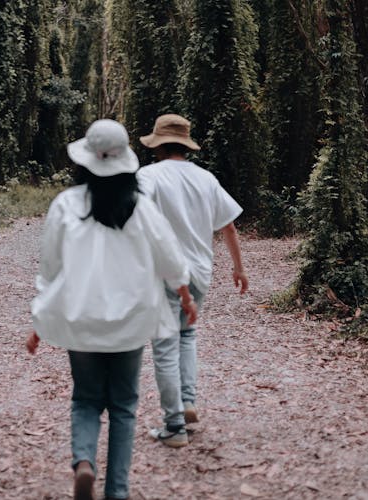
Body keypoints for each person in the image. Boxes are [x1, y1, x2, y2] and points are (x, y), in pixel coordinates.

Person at [26, 119, 197, 500]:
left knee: (86, 398)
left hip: (81, 320)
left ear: (85, 161)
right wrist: (184, 295)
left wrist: (40, 320)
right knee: (123, 406)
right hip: (130, 323)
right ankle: (117, 491)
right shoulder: (140, 206)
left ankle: (84, 461)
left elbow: (50, 270)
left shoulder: (66, 205)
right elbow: (169, 258)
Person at [137, 114, 249, 448]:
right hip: (200, 274)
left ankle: (174, 427)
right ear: (185, 144)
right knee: (186, 336)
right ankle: (187, 402)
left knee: (165, 346)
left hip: (163, 274)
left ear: (158, 144)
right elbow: (228, 226)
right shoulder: (206, 178)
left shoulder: (148, 176)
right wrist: (239, 268)